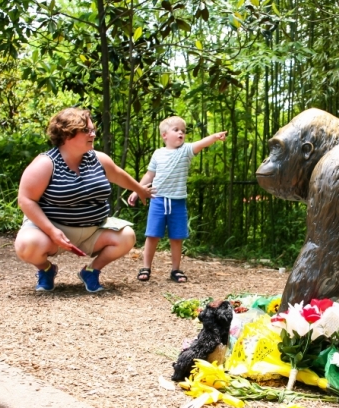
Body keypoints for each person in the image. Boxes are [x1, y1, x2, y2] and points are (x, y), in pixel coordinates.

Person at [14, 108, 153, 293]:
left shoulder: (98, 159)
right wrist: (52, 231)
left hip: (92, 231)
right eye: (87, 130)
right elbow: (25, 200)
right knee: (26, 245)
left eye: (93, 129)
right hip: (51, 231)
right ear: (67, 134)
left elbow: (118, 175)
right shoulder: (46, 164)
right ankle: (45, 269)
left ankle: (91, 271)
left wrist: (139, 189)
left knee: (127, 236)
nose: (93, 134)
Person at [128, 116, 227, 283]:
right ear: (165, 135)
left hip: (178, 202)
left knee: (177, 237)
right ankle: (146, 267)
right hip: (158, 200)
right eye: (176, 130)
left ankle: (175, 269)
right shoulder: (158, 154)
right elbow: (150, 175)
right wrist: (137, 190)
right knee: (152, 235)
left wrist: (215, 137)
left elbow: (201, 143)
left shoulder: (186, 150)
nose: (181, 132)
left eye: (183, 130)